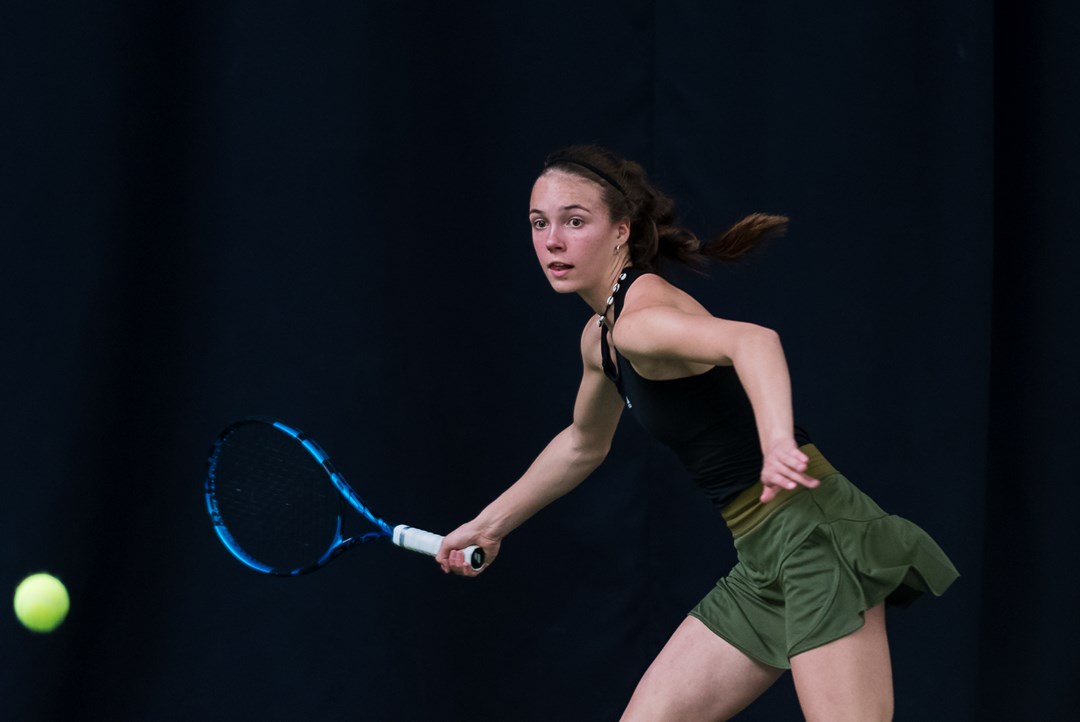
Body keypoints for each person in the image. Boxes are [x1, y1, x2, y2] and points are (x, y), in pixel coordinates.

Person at [435, 145, 958, 721]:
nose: (552, 241)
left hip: (816, 539)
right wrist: (488, 525)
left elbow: (754, 341)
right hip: (763, 555)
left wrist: (778, 441)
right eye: (540, 223)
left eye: (575, 221)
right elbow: (583, 443)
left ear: (621, 231)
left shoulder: (639, 325)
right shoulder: (601, 338)